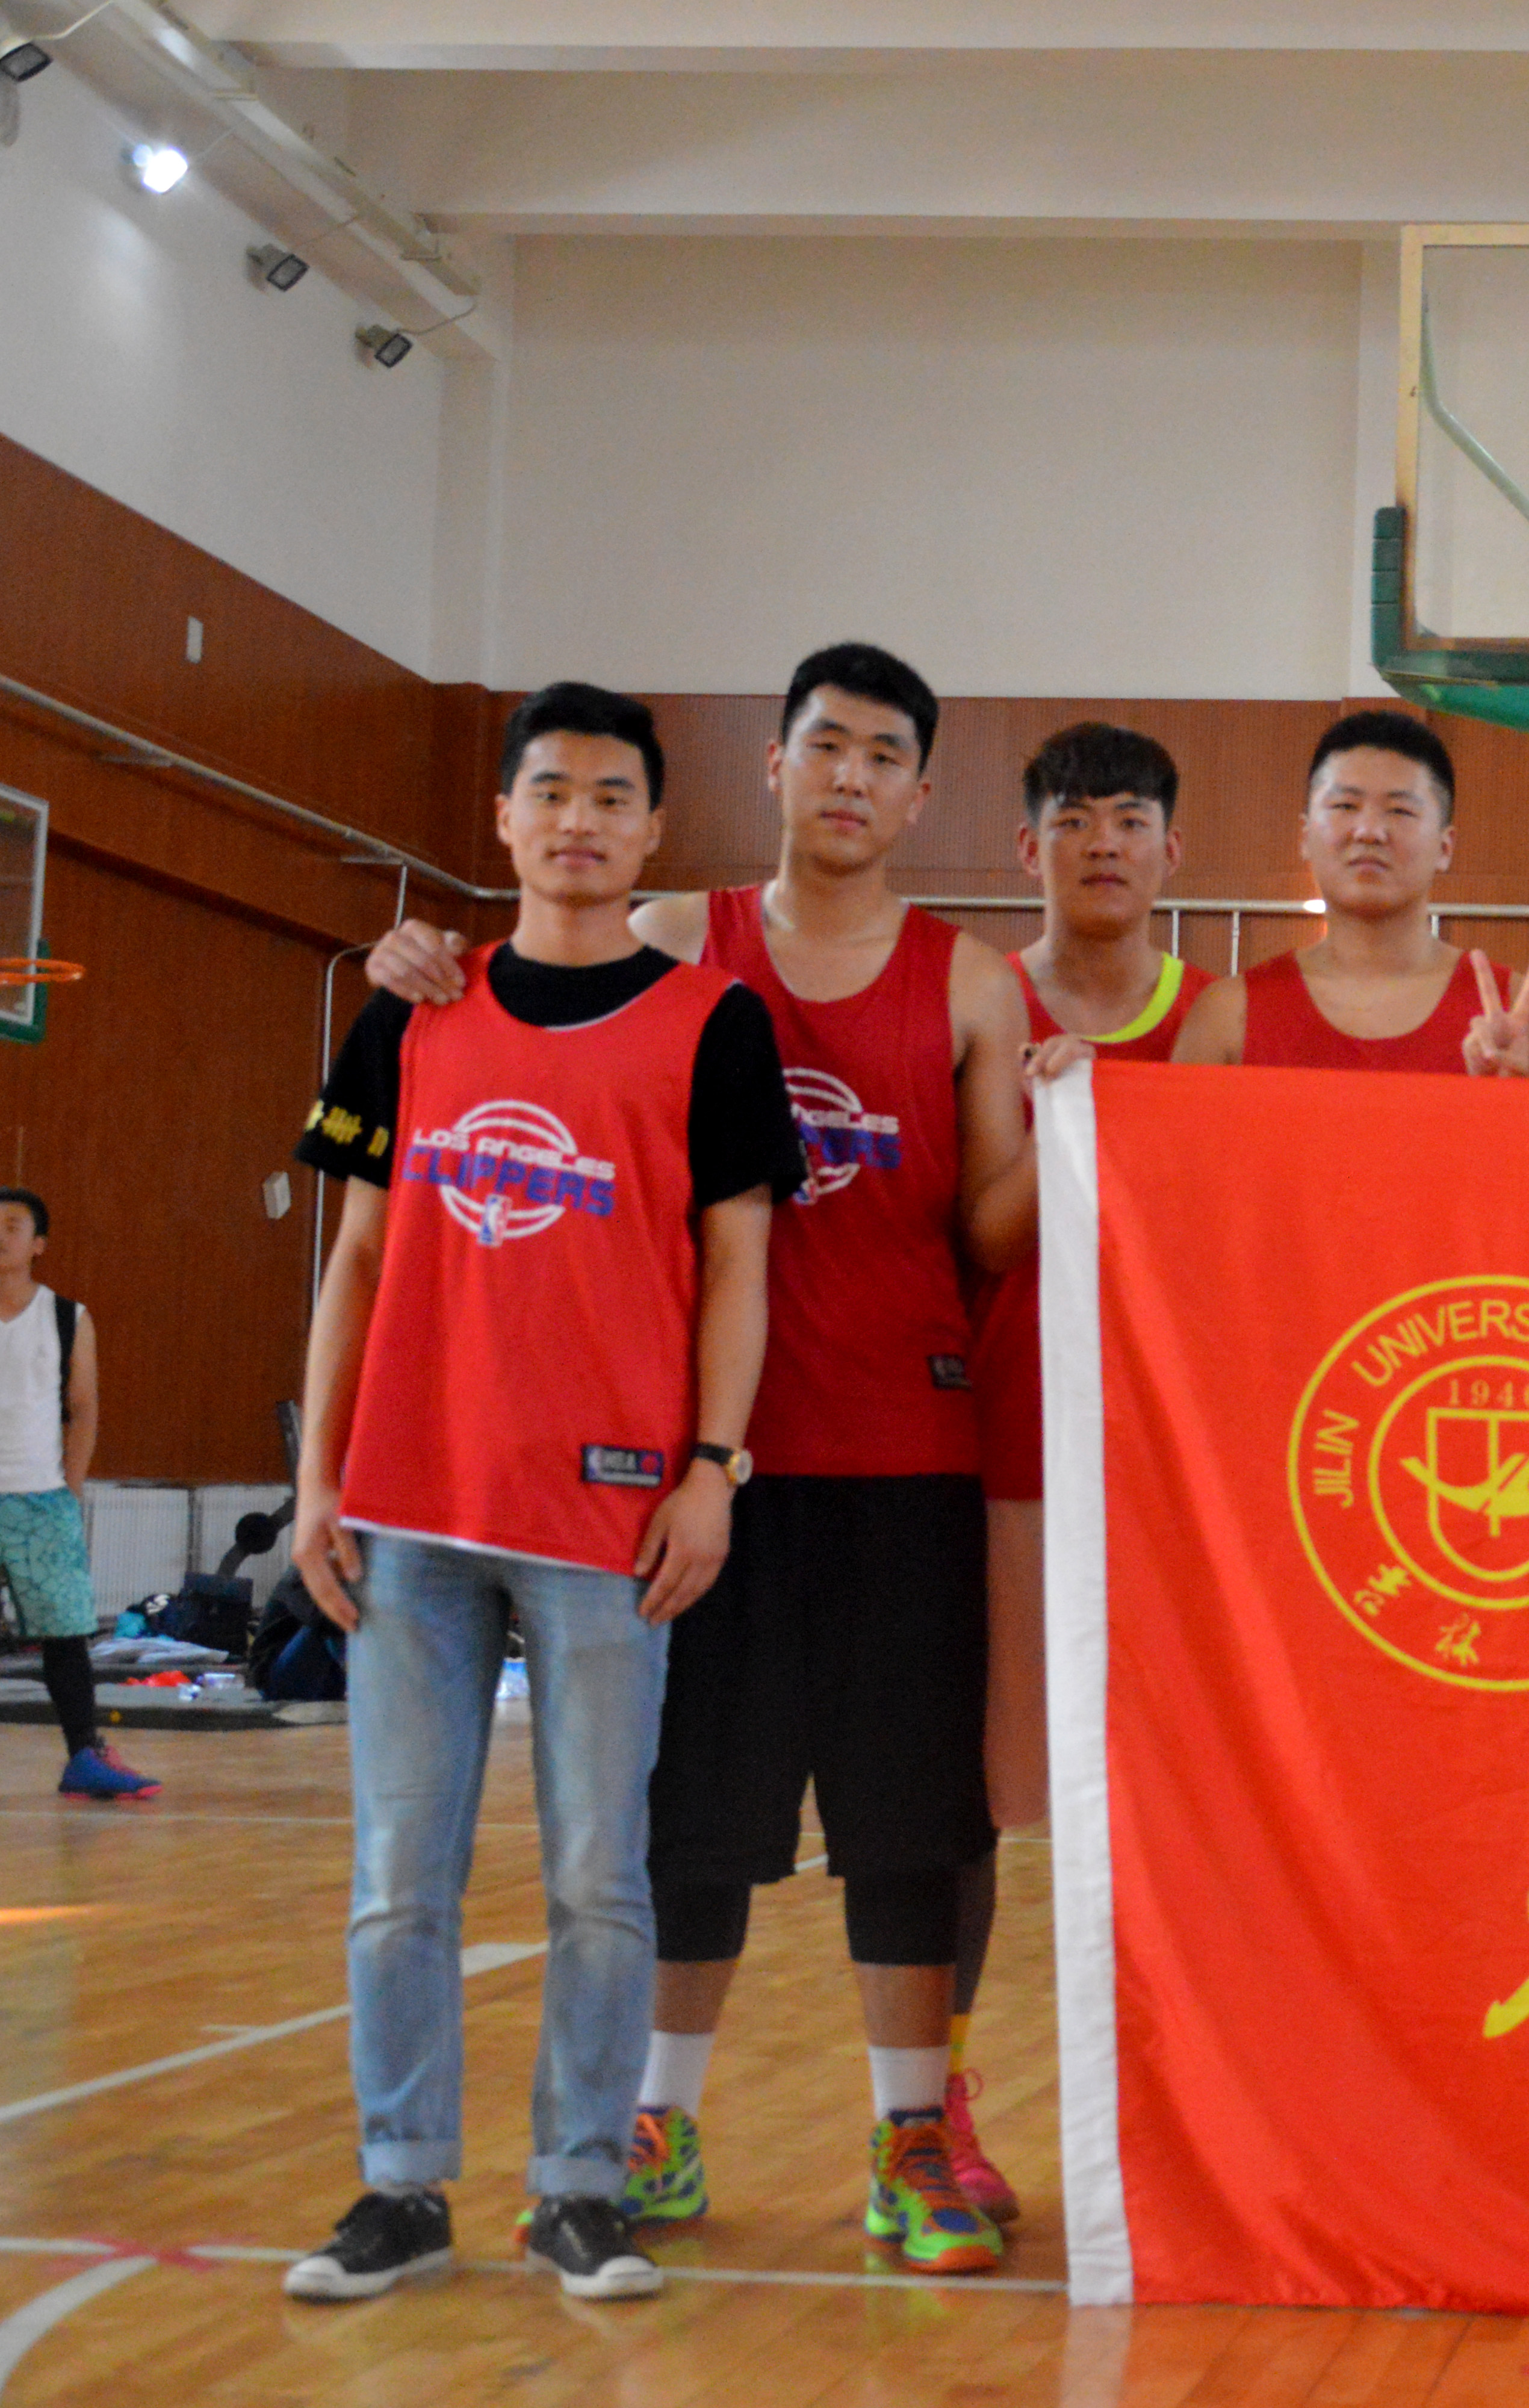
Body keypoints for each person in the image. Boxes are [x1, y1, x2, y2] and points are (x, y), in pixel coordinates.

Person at [361, 642, 1034, 2276]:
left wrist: (1085, 1133)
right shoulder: (672, 940)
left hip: (902, 1451)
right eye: (827, 745)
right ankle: (651, 2123)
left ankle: (910, 2136)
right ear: (775, 766)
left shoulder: (967, 982)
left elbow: (989, 1230)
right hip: (680, 1478)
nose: (853, 776)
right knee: (684, 1818)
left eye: (886, 755)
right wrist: (415, 971)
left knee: (910, 1819)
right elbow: (522, 1007)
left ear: (920, 794)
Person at [282, 682, 794, 2304]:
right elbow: (359, 1256)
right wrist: (315, 1474)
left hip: (609, 1516)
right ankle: (400, 2186)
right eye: (550, 791)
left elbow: (738, 1266)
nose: (578, 820)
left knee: (597, 1876)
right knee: (397, 1878)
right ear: (503, 819)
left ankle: (582, 2184)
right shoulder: (413, 1010)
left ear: (654, 829)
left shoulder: (713, 1023)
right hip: (410, 1507)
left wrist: (711, 1468)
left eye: (611, 796)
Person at [947, 721, 1202, 2224]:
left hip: (1184, 1476)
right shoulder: (980, 997)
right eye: (1072, 818)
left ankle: (1193, 2123)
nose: (1101, 841)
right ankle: (939, 2107)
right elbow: (983, 1233)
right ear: (1025, 846)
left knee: (1187, 1814)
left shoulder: (1217, 1016)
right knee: (972, 1809)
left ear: (1172, 849)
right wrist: (1071, 1118)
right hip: (1011, 1451)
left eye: (1128, 818)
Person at [1171, 709, 1529, 1076]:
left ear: (1445, 847)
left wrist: (1516, 1102)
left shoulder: (1522, 1018)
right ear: (1305, 837)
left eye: (1400, 811)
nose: (1369, 831)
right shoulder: (1227, 1016)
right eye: (1345, 806)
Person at [0, 1188, 149, 1800]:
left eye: (12, 1226)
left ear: (39, 1244)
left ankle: (84, 1755)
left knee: (65, 1634)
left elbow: (83, 1409)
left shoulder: (66, 1317)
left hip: (41, 1500)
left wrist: (72, 1488)